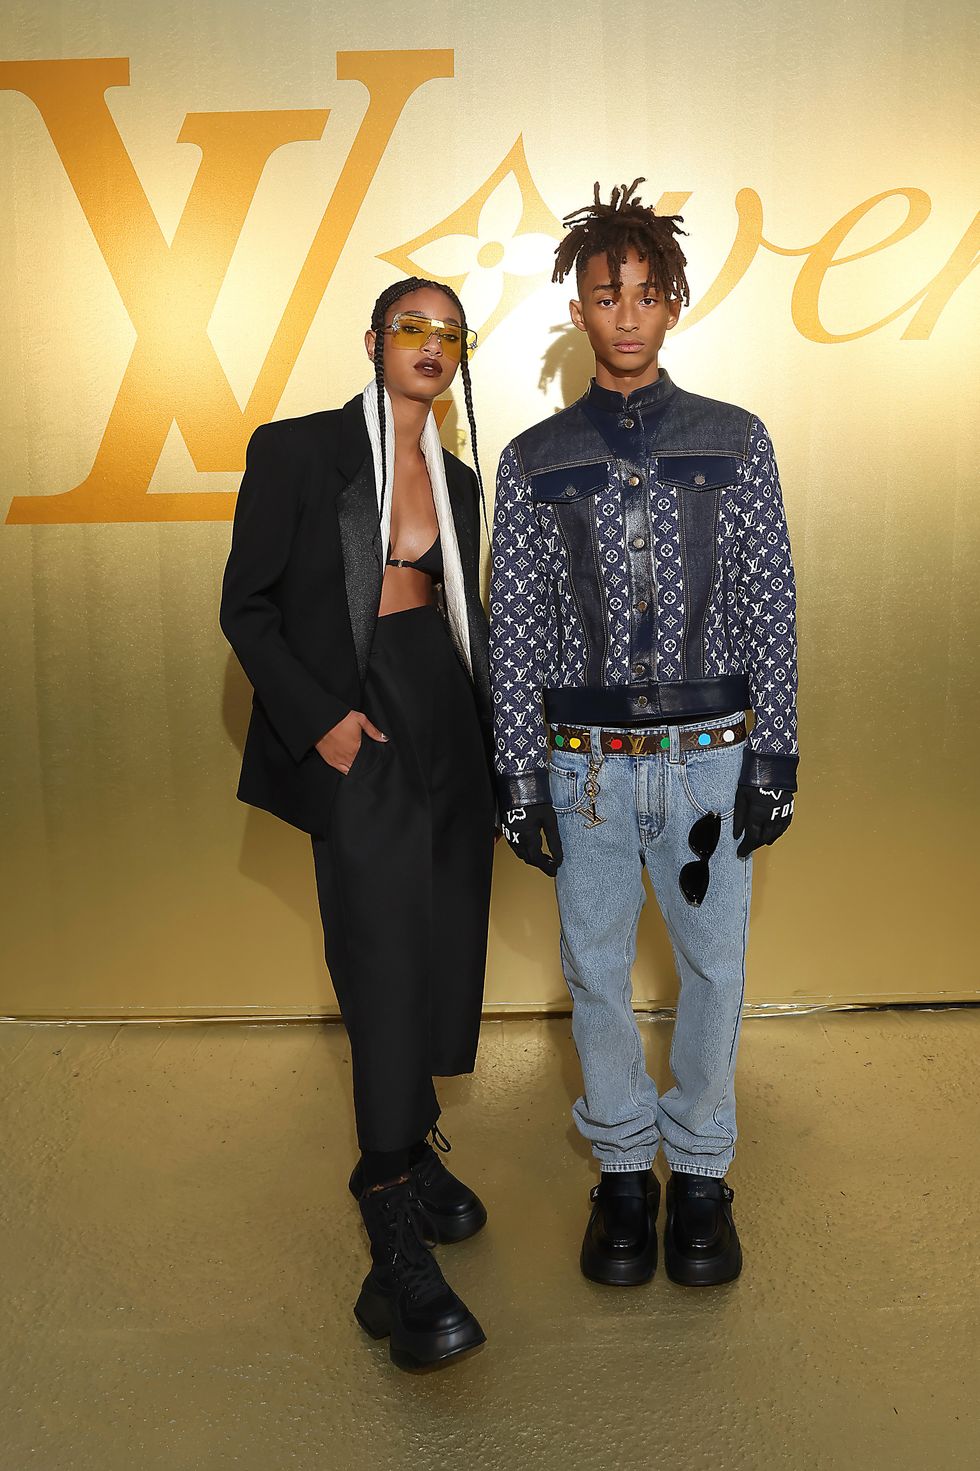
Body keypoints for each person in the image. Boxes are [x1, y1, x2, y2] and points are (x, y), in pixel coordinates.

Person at [490, 181, 799, 1288]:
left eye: (644, 293)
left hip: (712, 764)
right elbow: (515, 624)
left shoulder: (735, 438)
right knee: (592, 966)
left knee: (714, 964)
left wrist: (776, 752)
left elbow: (768, 598)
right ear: (577, 308)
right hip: (584, 774)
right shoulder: (533, 458)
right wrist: (517, 774)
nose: (624, 314)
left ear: (672, 303)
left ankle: (701, 1173)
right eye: (603, 294)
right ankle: (623, 1171)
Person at [220, 277, 496, 1369]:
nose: (430, 344)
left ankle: (411, 1145)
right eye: (410, 327)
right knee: (382, 958)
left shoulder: (459, 478)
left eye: (448, 332)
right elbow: (245, 606)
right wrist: (320, 721)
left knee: (443, 938)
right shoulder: (299, 450)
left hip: (444, 711)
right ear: (373, 341)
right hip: (356, 716)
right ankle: (390, 1246)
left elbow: (468, 616)